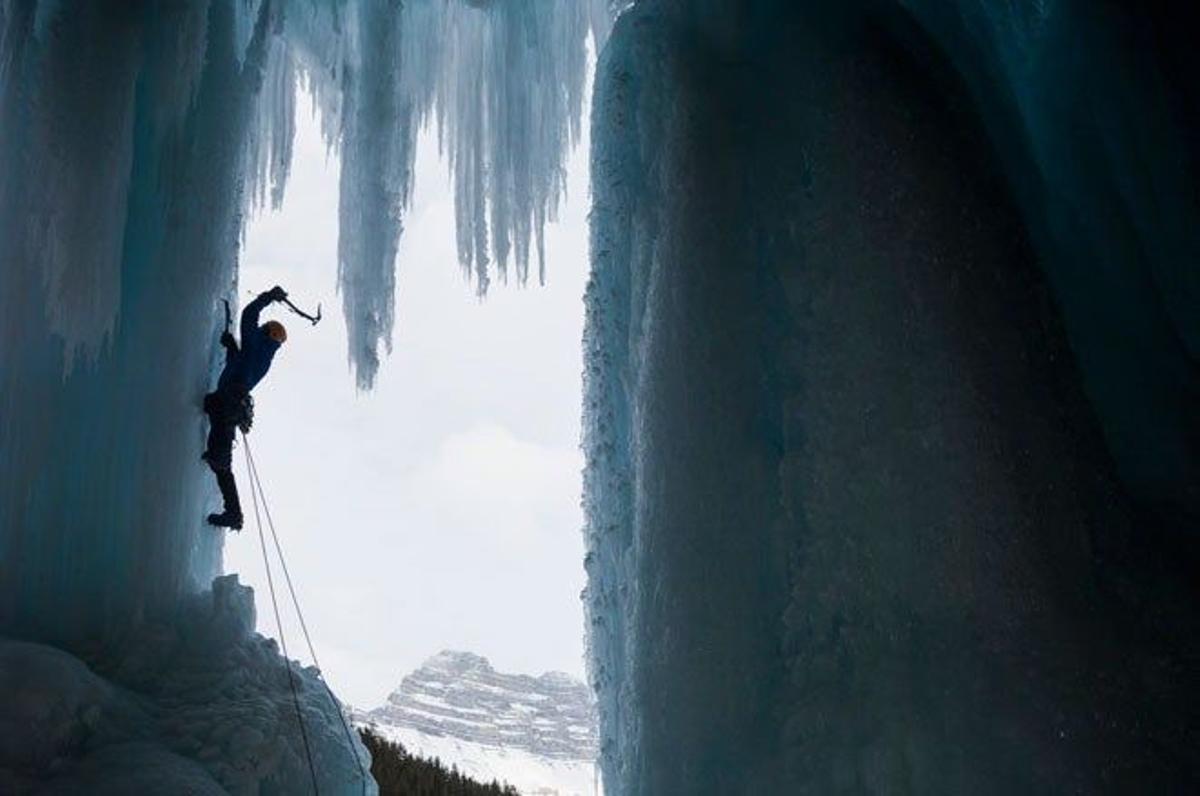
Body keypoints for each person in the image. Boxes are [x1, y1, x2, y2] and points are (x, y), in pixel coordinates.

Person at [202, 286, 289, 529]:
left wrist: (268, 297)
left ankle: (234, 514)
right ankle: (233, 512)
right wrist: (232, 348)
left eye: (264, 328)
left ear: (267, 332)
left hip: (226, 404)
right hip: (227, 405)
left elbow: (249, 314)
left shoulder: (257, 344)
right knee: (219, 457)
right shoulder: (263, 356)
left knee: (221, 462)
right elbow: (240, 367)